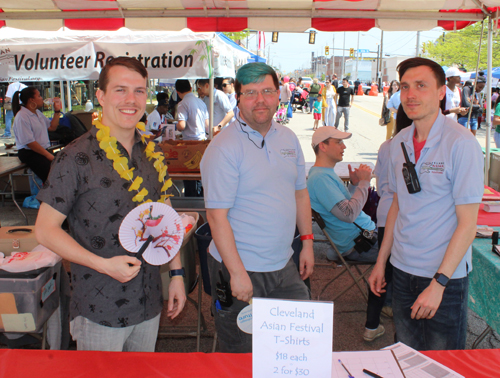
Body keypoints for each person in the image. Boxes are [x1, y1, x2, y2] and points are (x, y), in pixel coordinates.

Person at [35, 57, 186, 352]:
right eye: (120, 90)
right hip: (99, 307)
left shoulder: (152, 152)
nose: (131, 100)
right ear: (101, 96)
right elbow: (44, 230)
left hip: (149, 300)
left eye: (139, 91)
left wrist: (177, 274)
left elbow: (165, 215)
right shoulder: (75, 158)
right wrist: (103, 265)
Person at [368, 57, 483, 351]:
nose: (410, 94)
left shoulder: (461, 143)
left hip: (443, 277)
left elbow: (468, 224)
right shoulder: (399, 142)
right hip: (402, 269)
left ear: (442, 92)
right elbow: (396, 205)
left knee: (442, 362)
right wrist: (381, 262)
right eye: (405, 86)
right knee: (405, 354)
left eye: (421, 86)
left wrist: (439, 284)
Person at [200, 62, 314, 353]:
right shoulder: (223, 147)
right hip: (241, 267)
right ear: (237, 97)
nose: (260, 100)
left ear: (279, 95)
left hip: (283, 264)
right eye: (250, 92)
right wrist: (237, 272)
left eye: (267, 90)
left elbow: (300, 193)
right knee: (240, 351)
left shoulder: (288, 138)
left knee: (294, 342)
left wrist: (308, 242)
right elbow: (216, 216)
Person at [11, 86, 61, 183]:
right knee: (52, 177)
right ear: (31, 100)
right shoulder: (22, 116)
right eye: (39, 96)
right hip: (30, 152)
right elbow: (30, 142)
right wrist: (48, 155)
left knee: (60, 171)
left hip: (41, 150)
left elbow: (52, 127)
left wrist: (57, 111)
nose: (42, 98)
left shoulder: (37, 112)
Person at [176, 79, 209, 197]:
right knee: (200, 173)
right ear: (190, 88)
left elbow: (182, 125)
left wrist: (175, 125)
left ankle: (190, 199)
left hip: (189, 144)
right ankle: (200, 198)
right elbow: (207, 125)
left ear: (177, 92)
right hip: (202, 141)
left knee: (188, 174)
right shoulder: (201, 102)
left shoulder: (182, 104)